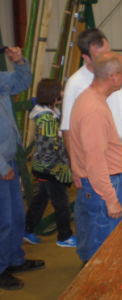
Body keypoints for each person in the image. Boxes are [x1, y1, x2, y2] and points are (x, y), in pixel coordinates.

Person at [61, 28, 122, 209]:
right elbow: (67, 128)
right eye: (101, 56)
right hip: (98, 155)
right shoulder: (76, 84)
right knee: (107, 204)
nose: (108, 59)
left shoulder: (117, 71)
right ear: (86, 58)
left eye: (109, 52)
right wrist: (74, 165)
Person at [69, 52, 122, 263]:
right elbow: (95, 161)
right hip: (103, 187)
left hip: (96, 185)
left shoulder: (90, 98)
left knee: (93, 242)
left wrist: (77, 168)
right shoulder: (93, 109)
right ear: (113, 77)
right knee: (104, 250)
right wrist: (111, 199)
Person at [0, 46, 44, 290]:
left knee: (16, 215)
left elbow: (22, 81)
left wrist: (19, 62)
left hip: (9, 160)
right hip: (1, 164)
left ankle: (15, 259)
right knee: (2, 220)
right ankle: (1, 268)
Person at [24, 79, 76, 247]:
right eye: (60, 91)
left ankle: (27, 228)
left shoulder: (51, 111)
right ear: (52, 94)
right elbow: (50, 147)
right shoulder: (46, 119)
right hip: (51, 169)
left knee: (41, 199)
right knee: (61, 203)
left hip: (43, 167)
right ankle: (64, 236)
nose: (62, 93)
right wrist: (65, 166)